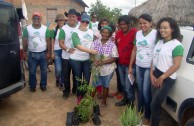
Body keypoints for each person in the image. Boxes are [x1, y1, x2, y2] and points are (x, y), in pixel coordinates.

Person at [150, 17, 184, 126]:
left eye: (165, 28)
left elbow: (177, 65)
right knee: (153, 103)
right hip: (155, 74)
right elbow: (153, 59)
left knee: (155, 105)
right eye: (160, 28)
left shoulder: (177, 45)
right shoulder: (159, 42)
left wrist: (162, 77)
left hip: (167, 78)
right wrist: (151, 74)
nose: (162, 30)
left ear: (172, 29)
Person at [129, 14, 157, 125]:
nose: (142, 25)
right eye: (140, 23)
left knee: (146, 92)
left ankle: (147, 116)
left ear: (151, 23)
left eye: (145, 23)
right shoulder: (138, 34)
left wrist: (152, 70)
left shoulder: (156, 34)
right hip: (138, 65)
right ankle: (140, 111)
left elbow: (158, 51)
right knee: (139, 91)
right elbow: (134, 50)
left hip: (149, 67)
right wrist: (131, 66)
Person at [70, 13, 98, 104]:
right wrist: (91, 51)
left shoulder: (90, 31)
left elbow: (93, 42)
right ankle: (79, 97)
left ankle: (84, 94)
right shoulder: (75, 32)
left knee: (86, 78)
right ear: (80, 21)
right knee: (78, 79)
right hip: (76, 59)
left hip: (87, 59)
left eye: (87, 22)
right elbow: (78, 46)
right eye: (83, 21)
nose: (85, 23)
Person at [22, 12, 51, 92]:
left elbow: (48, 41)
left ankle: (43, 85)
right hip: (32, 54)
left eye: (38, 18)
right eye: (34, 18)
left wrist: (49, 52)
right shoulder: (27, 29)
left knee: (44, 71)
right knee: (32, 71)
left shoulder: (45, 29)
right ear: (32, 19)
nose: (36, 20)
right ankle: (32, 86)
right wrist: (24, 52)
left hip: (43, 54)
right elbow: (24, 40)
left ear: (41, 19)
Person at [91, 26, 118, 107]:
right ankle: (90, 99)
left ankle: (104, 101)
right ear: (101, 32)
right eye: (103, 32)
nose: (105, 34)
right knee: (94, 84)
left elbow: (114, 57)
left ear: (110, 35)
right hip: (96, 67)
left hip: (107, 69)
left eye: (107, 33)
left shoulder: (112, 45)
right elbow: (91, 52)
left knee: (105, 85)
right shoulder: (95, 42)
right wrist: (93, 59)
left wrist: (102, 62)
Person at [115, 15, 137, 106]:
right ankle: (125, 99)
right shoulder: (118, 33)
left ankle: (131, 102)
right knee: (123, 84)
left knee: (129, 86)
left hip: (131, 64)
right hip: (120, 63)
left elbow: (136, 49)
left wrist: (131, 66)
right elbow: (116, 45)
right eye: (121, 24)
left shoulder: (135, 33)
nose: (123, 26)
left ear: (129, 24)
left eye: (125, 24)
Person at [59, 9, 79, 98]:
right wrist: (68, 49)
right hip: (66, 57)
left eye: (73, 16)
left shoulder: (79, 28)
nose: (71, 18)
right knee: (66, 75)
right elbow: (61, 43)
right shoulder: (63, 29)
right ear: (67, 17)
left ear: (76, 18)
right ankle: (66, 92)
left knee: (76, 75)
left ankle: (75, 90)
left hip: (77, 57)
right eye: (70, 16)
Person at [51, 14, 65, 88]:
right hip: (57, 51)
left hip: (64, 51)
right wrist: (52, 52)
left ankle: (61, 83)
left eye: (61, 20)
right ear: (56, 21)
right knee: (58, 69)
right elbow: (52, 42)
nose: (60, 21)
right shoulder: (54, 30)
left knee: (63, 69)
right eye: (58, 20)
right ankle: (57, 78)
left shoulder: (66, 29)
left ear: (64, 20)